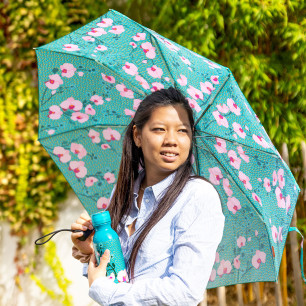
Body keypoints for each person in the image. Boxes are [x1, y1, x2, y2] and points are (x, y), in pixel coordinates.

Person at [71, 87, 225, 305]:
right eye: (160, 129)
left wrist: (105, 292)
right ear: (137, 135)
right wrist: (92, 251)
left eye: (182, 131)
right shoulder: (124, 191)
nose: (172, 140)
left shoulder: (198, 196)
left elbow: (185, 292)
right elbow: (120, 276)